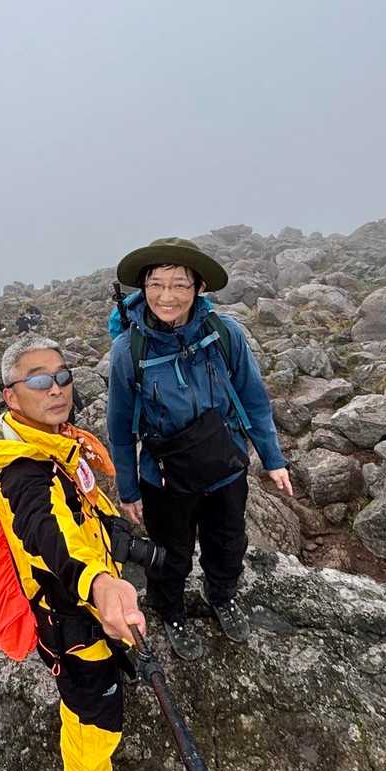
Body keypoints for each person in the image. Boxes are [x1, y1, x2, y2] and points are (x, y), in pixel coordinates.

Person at [0, 336, 148, 771]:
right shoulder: (22, 472)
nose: (56, 388)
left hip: (87, 602)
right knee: (95, 711)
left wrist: (122, 546)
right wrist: (100, 584)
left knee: (96, 693)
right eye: (39, 380)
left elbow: (80, 510)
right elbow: (49, 536)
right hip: (72, 620)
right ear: (10, 395)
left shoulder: (48, 441)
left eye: (62, 376)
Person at [106, 237, 292, 662]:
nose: (166, 296)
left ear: (199, 287)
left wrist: (273, 459)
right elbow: (119, 429)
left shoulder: (225, 334)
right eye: (156, 284)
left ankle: (221, 594)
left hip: (225, 467)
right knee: (169, 555)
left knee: (228, 543)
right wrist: (129, 489)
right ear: (142, 288)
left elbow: (254, 400)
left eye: (179, 284)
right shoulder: (128, 351)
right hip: (165, 478)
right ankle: (170, 611)